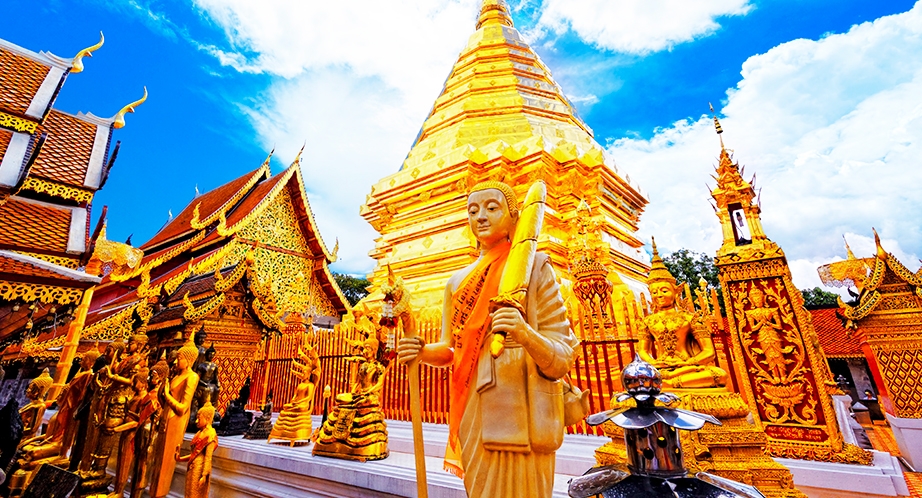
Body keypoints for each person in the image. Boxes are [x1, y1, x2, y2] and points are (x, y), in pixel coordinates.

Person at [397, 181, 577, 497]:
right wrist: (423, 351)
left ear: (514, 217)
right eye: (473, 210)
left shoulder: (535, 267)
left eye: (492, 208)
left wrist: (524, 334)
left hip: (522, 412)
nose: (481, 216)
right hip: (473, 409)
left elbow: (563, 354)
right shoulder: (456, 282)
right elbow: (451, 350)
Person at [637, 240, 728, 389]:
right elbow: (642, 351)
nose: (659, 295)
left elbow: (709, 352)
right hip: (660, 368)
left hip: (688, 367)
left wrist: (688, 363)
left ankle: (670, 384)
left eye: (664, 290)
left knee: (719, 375)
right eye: (654, 292)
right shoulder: (647, 322)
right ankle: (667, 382)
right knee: (633, 376)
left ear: (676, 291)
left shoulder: (690, 318)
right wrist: (653, 363)